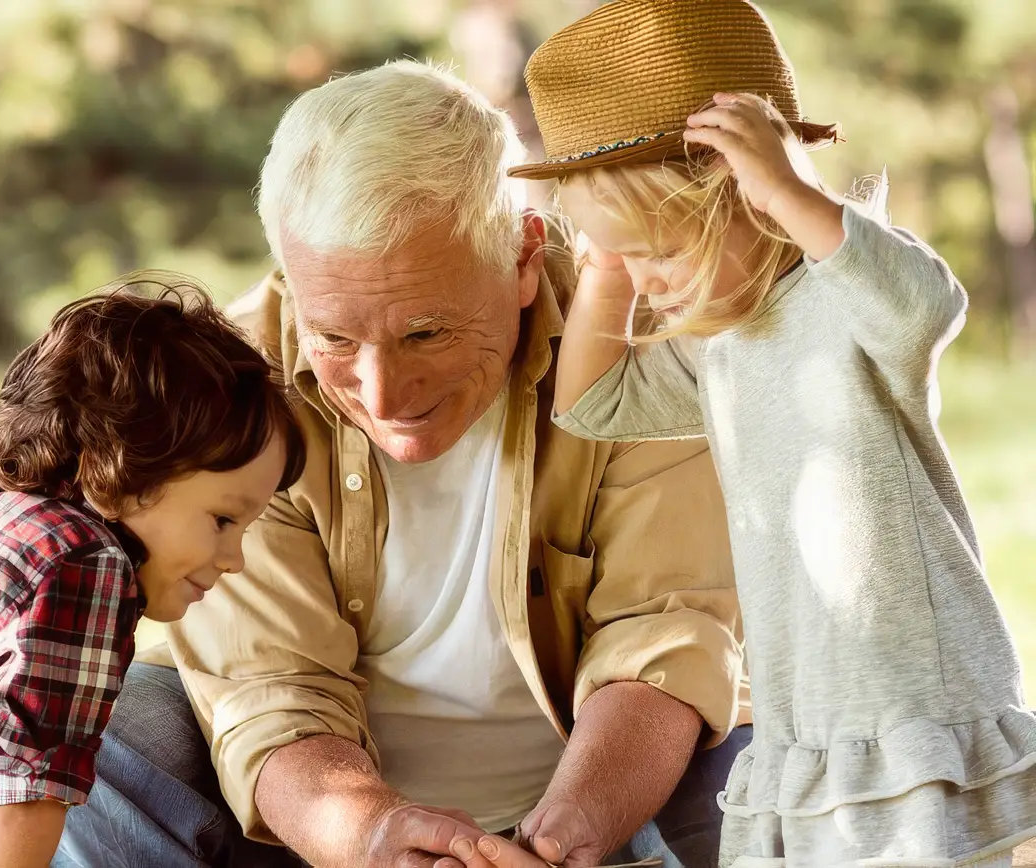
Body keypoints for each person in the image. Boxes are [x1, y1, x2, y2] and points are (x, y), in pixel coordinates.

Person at [54, 61, 752, 868]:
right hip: (324, 834)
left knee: (767, 766)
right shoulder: (232, 392)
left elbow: (664, 638)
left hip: (612, 803)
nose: (382, 393)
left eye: (426, 333)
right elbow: (272, 693)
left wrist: (565, 838)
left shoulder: (645, 342)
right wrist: (374, 839)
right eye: (335, 338)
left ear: (524, 260)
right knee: (109, 727)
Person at [509, 1, 1036, 865]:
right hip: (806, 720)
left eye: (662, 252)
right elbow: (592, 405)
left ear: (748, 198)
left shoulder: (845, 297)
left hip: (909, 704)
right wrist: (609, 261)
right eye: (628, 259)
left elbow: (927, 305)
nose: (649, 283)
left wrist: (795, 192)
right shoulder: (716, 344)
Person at [0, 276, 305, 868]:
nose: (234, 558)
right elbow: (23, 798)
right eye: (223, 520)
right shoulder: (85, 565)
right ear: (117, 471)